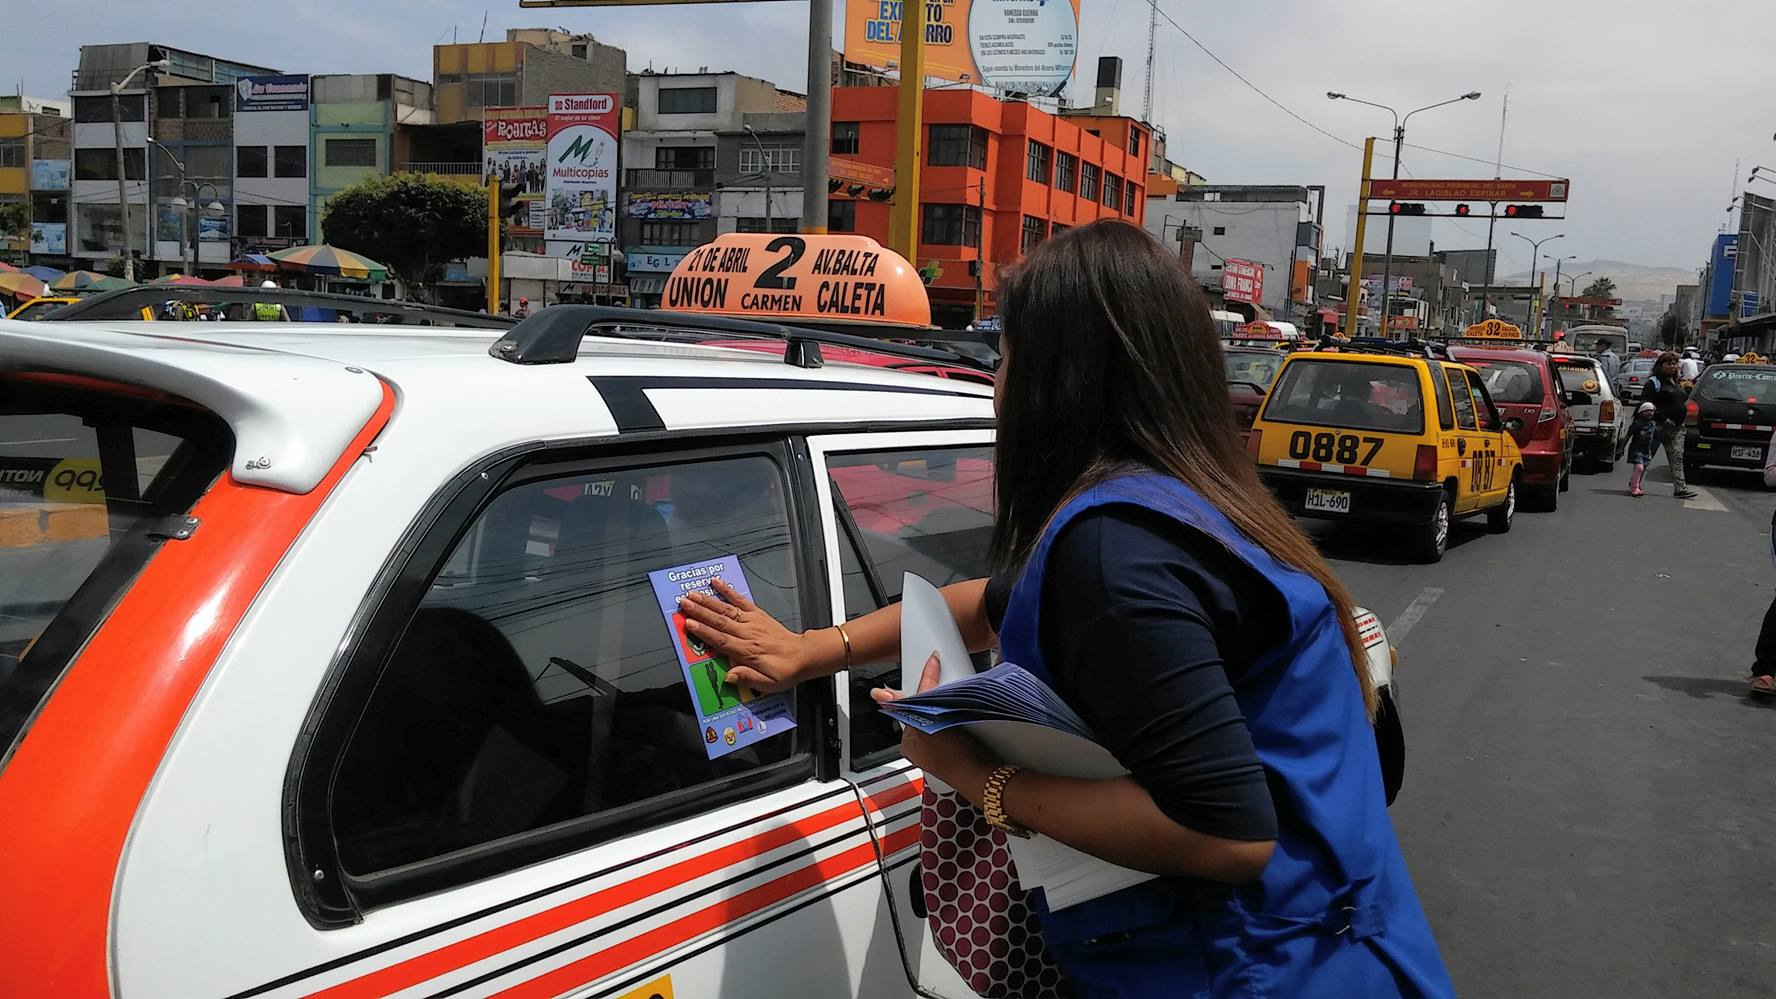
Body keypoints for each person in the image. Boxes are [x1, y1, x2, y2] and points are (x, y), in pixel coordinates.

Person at [678, 221, 1454, 997]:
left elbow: (1228, 834)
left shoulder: (1114, 550)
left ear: (1061, 381)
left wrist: (977, 776)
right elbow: (992, 602)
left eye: (1008, 356)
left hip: (1247, 970)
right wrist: (814, 647)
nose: (998, 383)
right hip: (1352, 951)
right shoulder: (1193, 500)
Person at [1639, 351, 1697, 500]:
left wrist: (1688, 390)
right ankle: (1635, 483)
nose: (1672, 366)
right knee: (1646, 456)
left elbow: (1680, 400)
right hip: (1657, 426)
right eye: (1668, 363)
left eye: (1674, 363)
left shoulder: (1676, 382)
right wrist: (1662, 417)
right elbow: (1646, 403)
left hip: (1676, 428)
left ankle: (1680, 489)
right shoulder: (1654, 382)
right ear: (1660, 365)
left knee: (1677, 457)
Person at [1625, 402, 1659, 497]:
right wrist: (1621, 448)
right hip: (1636, 449)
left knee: (1641, 468)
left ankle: (1634, 484)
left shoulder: (1653, 424)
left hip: (1646, 451)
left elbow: (1655, 437)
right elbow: (1628, 435)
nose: (1649, 412)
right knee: (1639, 468)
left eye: (1651, 411)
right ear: (1640, 412)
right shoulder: (1637, 423)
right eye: (1647, 410)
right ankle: (1634, 488)